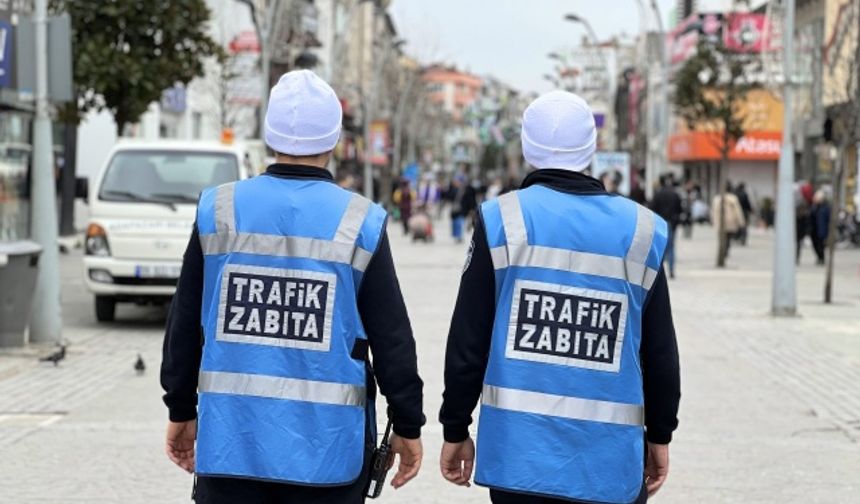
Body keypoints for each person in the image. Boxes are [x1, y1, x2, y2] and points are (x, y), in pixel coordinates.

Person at [160, 70, 425, 504]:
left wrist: (181, 408)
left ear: (269, 136)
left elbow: (185, 322)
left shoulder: (219, 209)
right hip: (329, 456)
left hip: (232, 445)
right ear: (335, 139)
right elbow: (392, 337)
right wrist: (408, 424)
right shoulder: (359, 221)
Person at [438, 91, 680, 504]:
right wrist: (659, 434)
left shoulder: (501, 220)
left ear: (527, 149)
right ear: (592, 148)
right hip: (610, 460)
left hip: (520, 460)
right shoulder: (642, 229)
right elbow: (659, 351)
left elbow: (468, 339)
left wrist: (455, 428)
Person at [650, 175, 683, 278]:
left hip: (660, 223)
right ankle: (672, 270)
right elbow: (680, 209)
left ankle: (659, 273)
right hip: (672, 223)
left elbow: (652, 208)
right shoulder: (675, 194)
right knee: (671, 248)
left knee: (660, 248)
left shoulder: (658, 194)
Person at [711, 183, 746, 259]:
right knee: (728, 238)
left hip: (720, 222)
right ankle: (726, 250)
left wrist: (713, 221)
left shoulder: (717, 198)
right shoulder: (733, 198)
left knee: (721, 238)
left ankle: (722, 250)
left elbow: (713, 211)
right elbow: (738, 211)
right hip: (731, 221)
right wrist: (741, 222)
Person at [809, 190, 831, 265]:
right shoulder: (813, 207)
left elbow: (829, 219)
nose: (815, 199)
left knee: (820, 245)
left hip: (821, 229)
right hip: (813, 229)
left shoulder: (825, 207)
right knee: (815, 244)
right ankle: (819, 257)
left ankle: (821, 258)